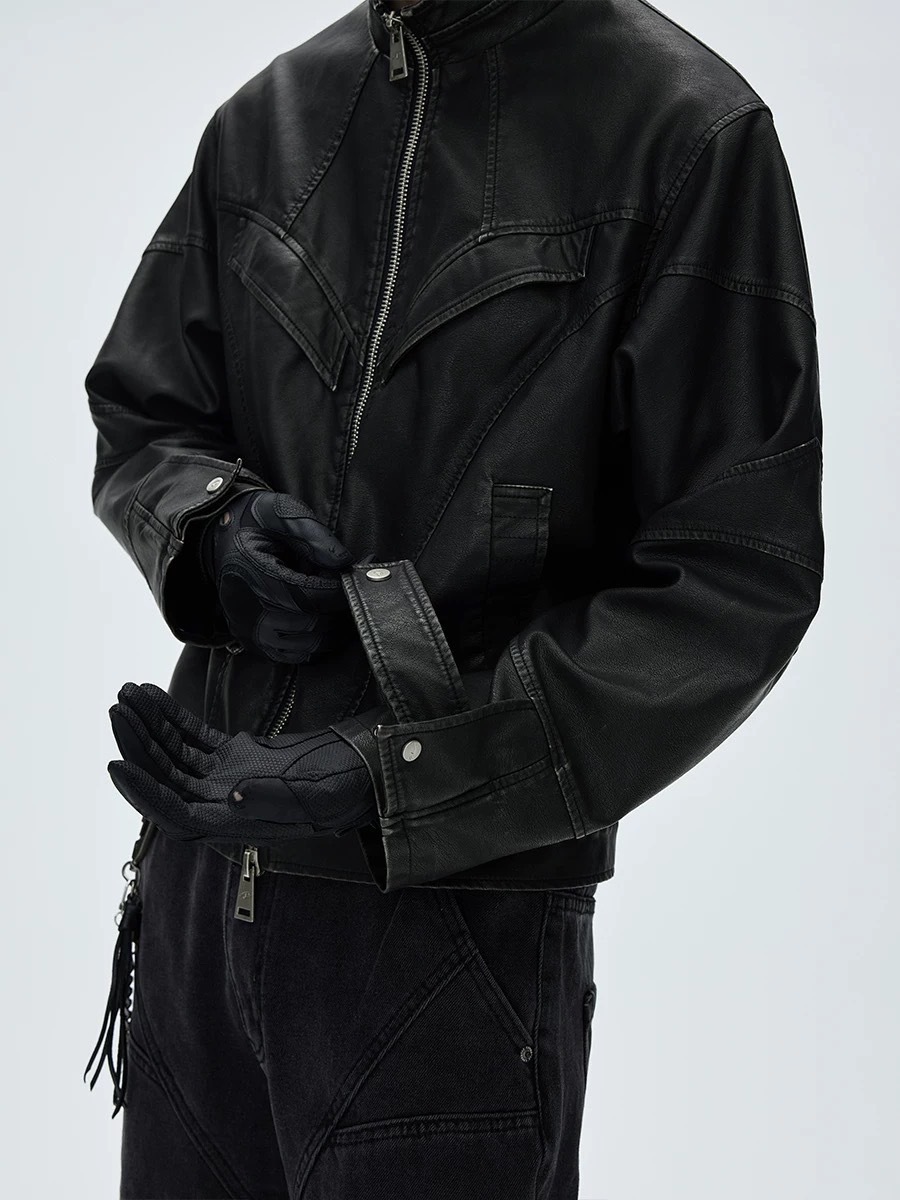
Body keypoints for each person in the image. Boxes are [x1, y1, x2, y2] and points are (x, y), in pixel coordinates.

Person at [83, 1, 825, 1196]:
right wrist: (212, 530)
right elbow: (146, 410)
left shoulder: (686, 131)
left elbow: (735, 573)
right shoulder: (273, 116)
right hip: (196, 901)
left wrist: (396, 776)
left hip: (448, 941)